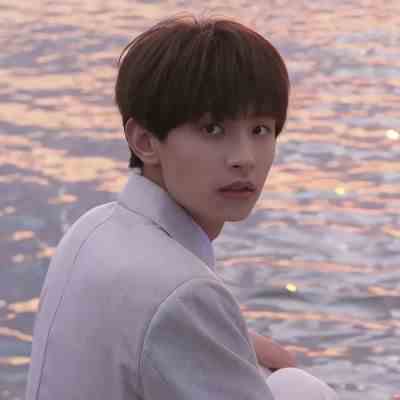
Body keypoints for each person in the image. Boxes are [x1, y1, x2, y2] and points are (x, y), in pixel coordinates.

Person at [25, 15, 338, 400]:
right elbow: (172, 309)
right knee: (299, 388)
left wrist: (236, 342)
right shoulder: (184, 292)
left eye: (260, 130)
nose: (244, 158)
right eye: (212, 129)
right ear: (144, 141)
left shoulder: (91, 230)